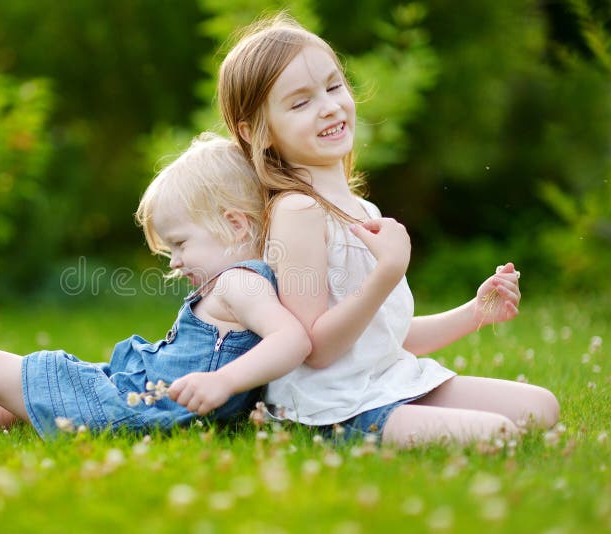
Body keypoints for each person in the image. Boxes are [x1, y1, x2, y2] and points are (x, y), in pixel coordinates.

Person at [217, 14, 559, 447]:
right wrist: (387, 271)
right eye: (300, 102)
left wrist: (475, 313)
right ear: (256, 133)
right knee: (497, 434)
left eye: (334, 86)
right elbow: (316, 349)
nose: (329, 106)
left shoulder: (362, 208)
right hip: (335, 405)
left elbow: (382, 335)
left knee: (542, 407)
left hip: (387, 380)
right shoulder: (298, 211)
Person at [0, 133, 311, 439]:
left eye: (181, 243)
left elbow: (293, 338)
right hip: (139, 398)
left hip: (139, 410)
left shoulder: (239, 284)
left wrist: (224, 381)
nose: (176, 260)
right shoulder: (238, 285)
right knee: (12, 399)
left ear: (233, 224)